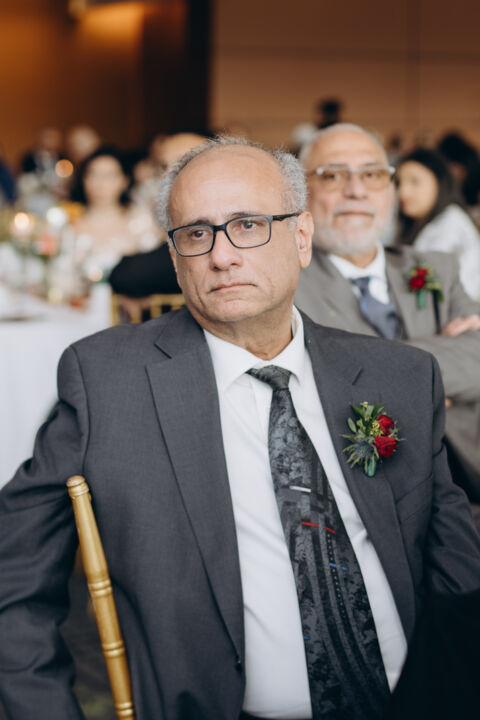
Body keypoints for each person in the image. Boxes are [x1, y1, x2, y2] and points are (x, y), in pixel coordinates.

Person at [1, 136, 480, 720]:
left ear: (301, 237)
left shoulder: (398, 376)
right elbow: (13, 576)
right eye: (195, 234)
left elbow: (458, 572)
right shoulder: (107, 382)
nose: (222, 256)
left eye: (248, 225)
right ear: (175, 257)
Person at [295, 123, 480, 505]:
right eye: (333, 175)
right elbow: (321, 386)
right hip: (364, 495)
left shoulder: (436, 267)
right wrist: (434, 382)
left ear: (391, 190)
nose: (356, 190)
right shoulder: (288, 285)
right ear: (300, 192)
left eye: (373, 174)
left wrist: (377, 371)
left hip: (467, 476)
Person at [396, 148, 480, 301]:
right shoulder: (417, 224)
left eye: (414, 182)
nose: (403, 192)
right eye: (398, 183)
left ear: (439, 182)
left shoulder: (451, 224)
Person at [69, 145, 159, 279]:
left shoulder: (140, 221)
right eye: (93, 175)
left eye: (108, 176)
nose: (99, 183)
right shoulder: (69, 220)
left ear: (124, 181)